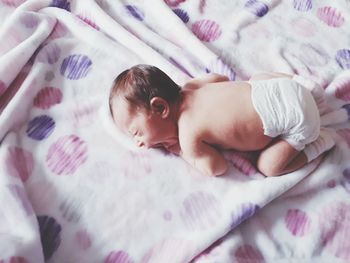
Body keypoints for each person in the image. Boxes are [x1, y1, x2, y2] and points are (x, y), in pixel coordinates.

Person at [108, 64, 335, 177]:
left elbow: (217, 167)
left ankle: (318, 142)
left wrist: (180, 150)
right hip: (282, 86)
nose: (138, 142)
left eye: (136, 132)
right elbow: (222, 78)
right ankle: (304, 85)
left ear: (160, 107)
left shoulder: (188, 135)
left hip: (300, 119)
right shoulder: (192, 86)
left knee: (269, 167)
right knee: (255, 80)